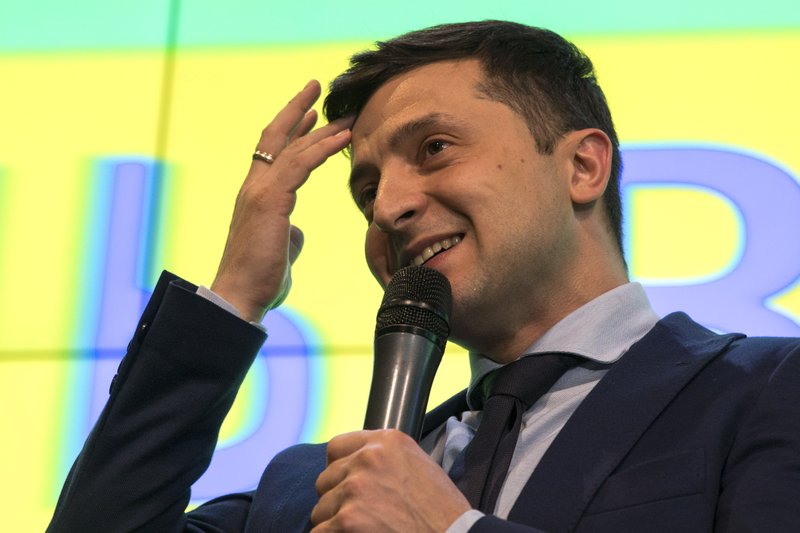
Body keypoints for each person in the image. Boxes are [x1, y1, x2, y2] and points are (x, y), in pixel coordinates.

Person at [47, 20, 800, 532]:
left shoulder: (766, 390)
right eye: (366, 190)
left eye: (435, 147)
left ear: (582, 164)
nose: (392, 208)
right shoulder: (311, 488)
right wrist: (235, 297)